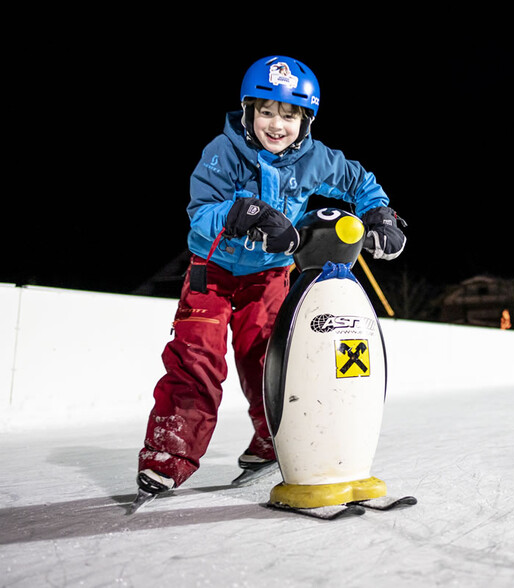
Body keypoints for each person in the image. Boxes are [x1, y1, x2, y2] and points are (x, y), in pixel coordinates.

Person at [136, 55, 407, 496]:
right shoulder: (222, 154)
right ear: (247, 112)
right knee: (197, 360)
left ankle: (272, 439)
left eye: (288, 115)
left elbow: (360, 181)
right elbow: (200, 215)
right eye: (265, 111)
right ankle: (170, 453)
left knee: (270, 360)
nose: (275, 125)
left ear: (306, 120)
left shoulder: (317, 159)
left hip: (270, 278)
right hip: (212, 273)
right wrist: (245, 212)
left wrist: (381, 214)